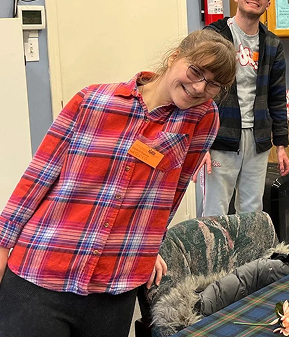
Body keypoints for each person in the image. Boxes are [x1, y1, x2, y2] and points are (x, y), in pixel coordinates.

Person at [0, 30, 237, 337]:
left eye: (213, 84)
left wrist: (150, 245)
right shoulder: (93, 101)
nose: (199, 87)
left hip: (115, 284)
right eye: (195, 72)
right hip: (44, 268)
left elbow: (173, 192)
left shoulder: (202, 118)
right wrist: (3, 242)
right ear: (175, 57)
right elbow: (39, 175)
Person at [198, 0, 289, 217]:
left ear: (268, 4)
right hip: (220, 137)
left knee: (252, 211)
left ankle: (248, 257)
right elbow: (198, 91)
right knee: (214, 211)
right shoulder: (214, 36)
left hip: (258, 138)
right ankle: (213, 256)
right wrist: (201, 143)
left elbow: (276, 96)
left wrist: (281, 144)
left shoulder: (272, 44)